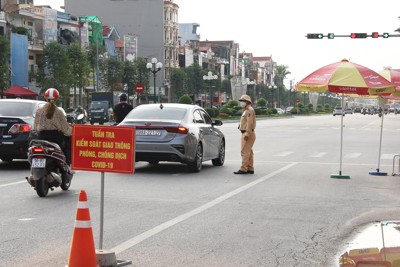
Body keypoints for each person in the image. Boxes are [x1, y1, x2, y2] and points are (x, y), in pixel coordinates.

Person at [33, 88, 72, 164]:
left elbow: (35, 127)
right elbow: (65, 129)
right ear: (57, 98)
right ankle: (66, 164)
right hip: (56, 138)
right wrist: (71, 132)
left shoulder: (39, 111)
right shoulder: (59, 112)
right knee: (64, 153)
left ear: (45, 97)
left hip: (42, 137)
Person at [234, 95, 256, 175]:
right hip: (248, 133)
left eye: (243, 101)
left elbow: (250, 123)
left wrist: (247, 134)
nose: (241, 102)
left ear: (247, 102)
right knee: (249, 151)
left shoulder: (249, 110)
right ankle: (250, 168)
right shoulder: (246, 110)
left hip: (247, 133)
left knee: (244, 151)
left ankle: (243, 168)